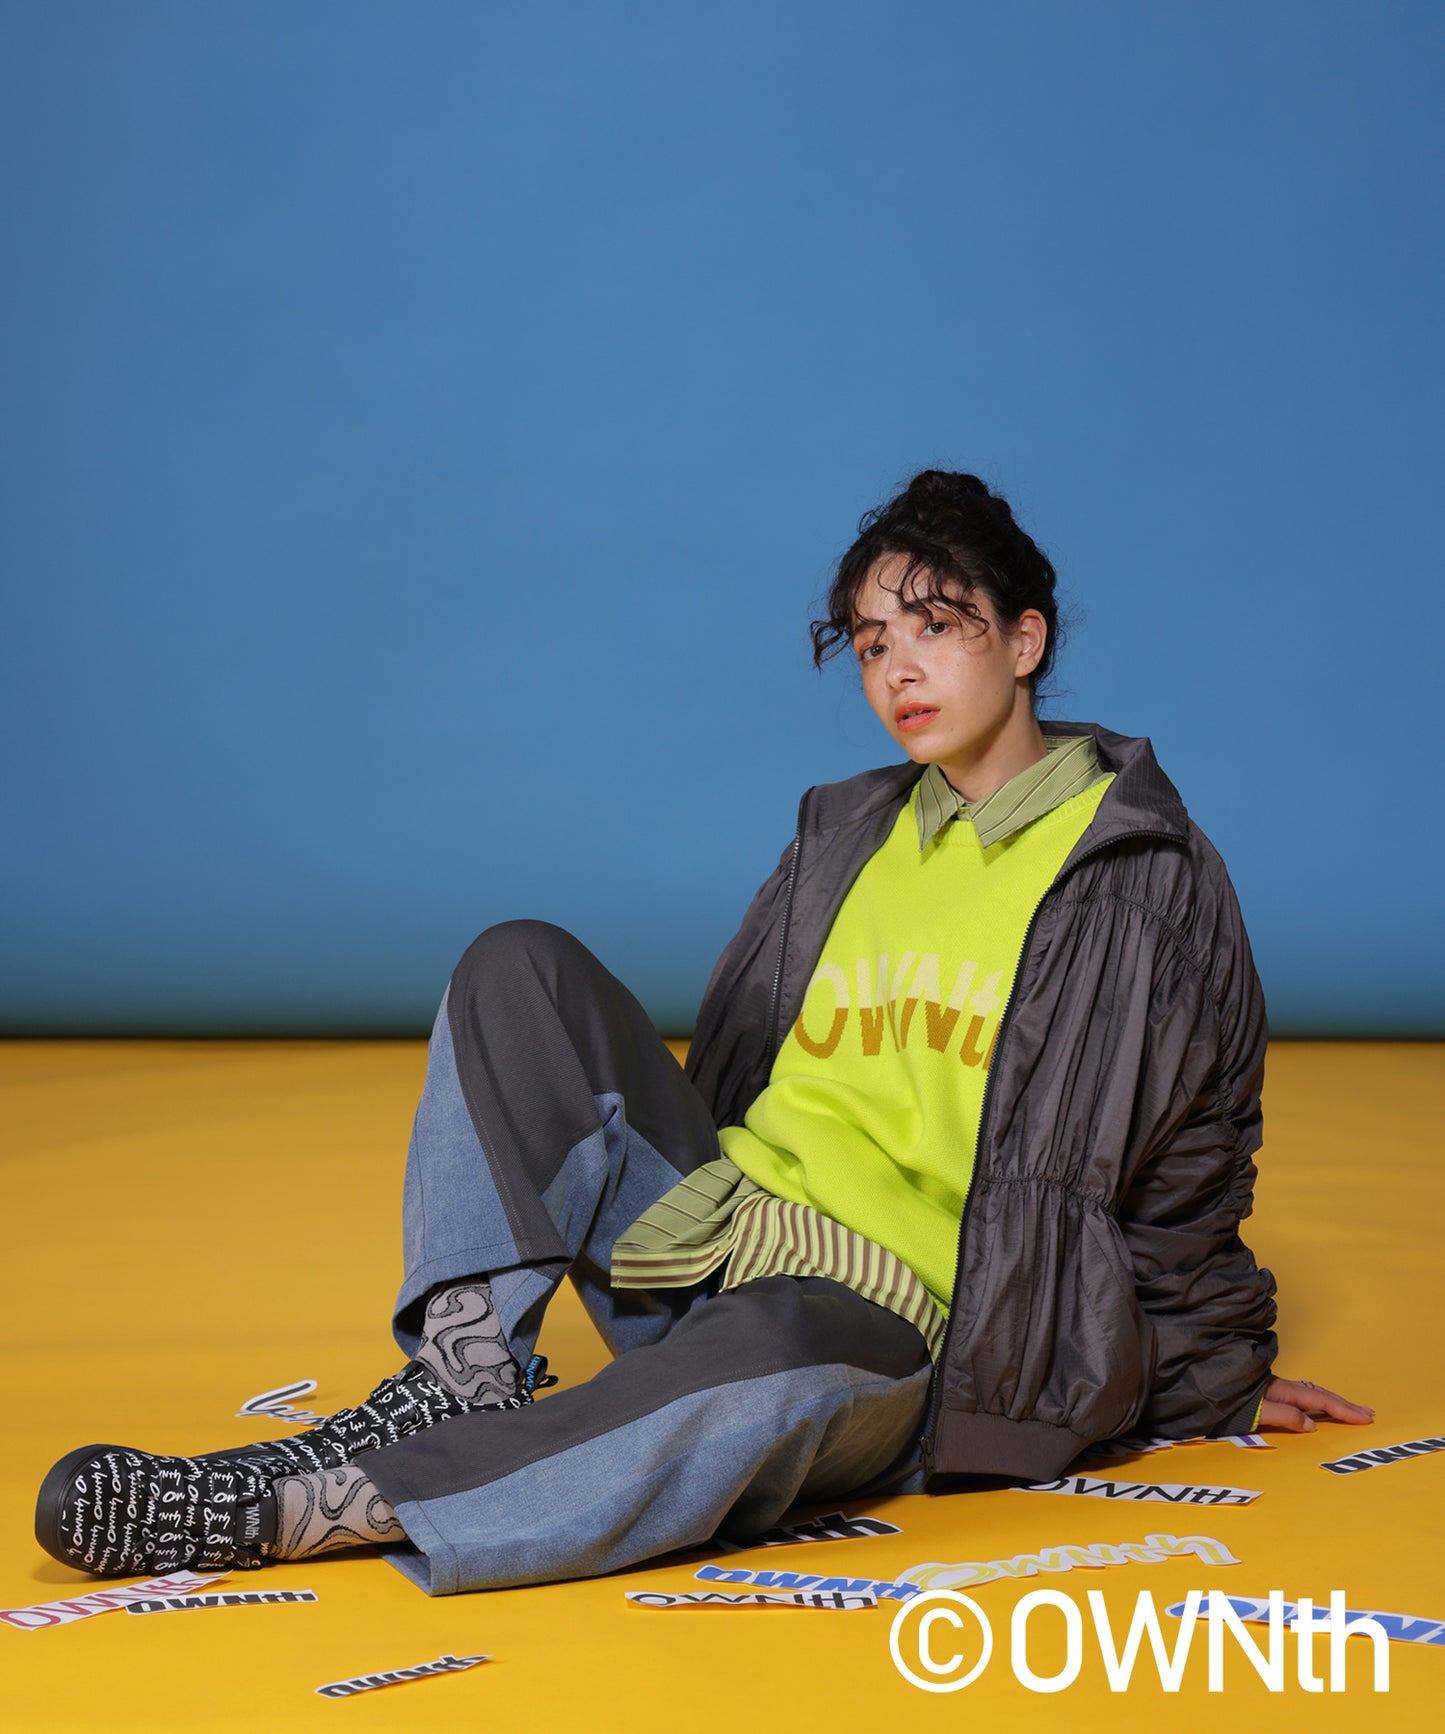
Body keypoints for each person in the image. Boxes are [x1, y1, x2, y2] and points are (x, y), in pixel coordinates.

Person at [36, 469, 1371, 1592]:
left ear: (1024, 640)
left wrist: (1205, 1367)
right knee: (517, 965)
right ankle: (461, 1371)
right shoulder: (846, 830)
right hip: (721, 1238)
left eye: (934, 626)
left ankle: (306, 1504)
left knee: (770, 1360)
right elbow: (733, 1059)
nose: (898, 669)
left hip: (897, 1326)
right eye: (870, 643)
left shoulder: (1135, 871)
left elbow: (1191, 1142)